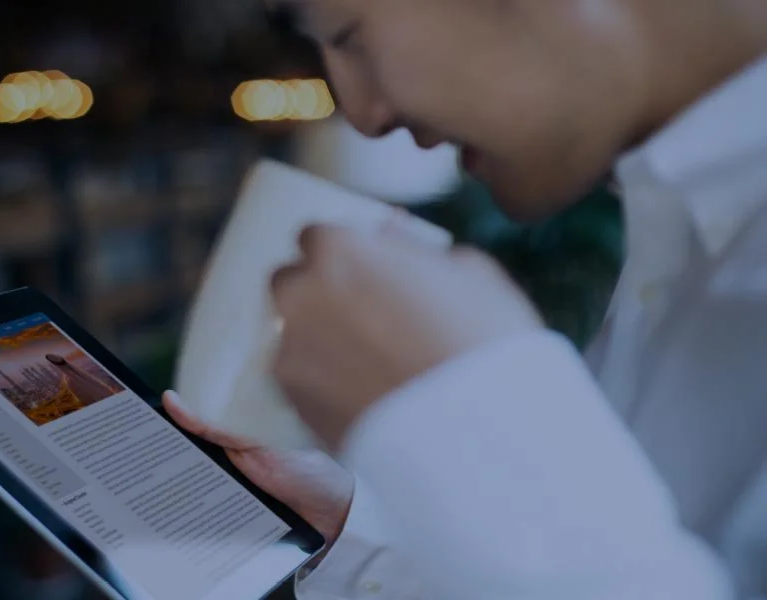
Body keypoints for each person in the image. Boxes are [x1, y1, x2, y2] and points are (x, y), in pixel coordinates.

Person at [167, 0, 767, 597]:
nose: (362, 114)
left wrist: (459, 408)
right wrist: (353, 527)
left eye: (349, 37)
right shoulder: (679, 226)